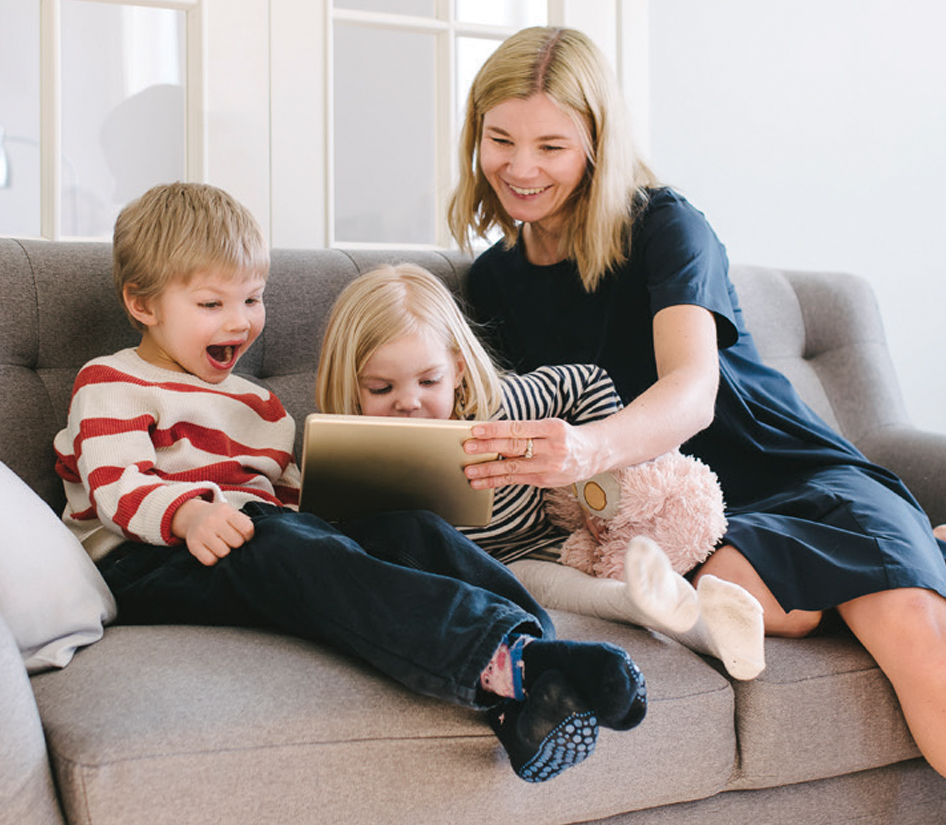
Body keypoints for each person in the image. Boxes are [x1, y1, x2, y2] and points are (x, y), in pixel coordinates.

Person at [447, 27, 946, 825]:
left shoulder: (664, 224)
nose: (521, 167)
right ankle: (909, 548)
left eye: (551, 145)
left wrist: (587, 446)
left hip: (786, 468)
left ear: (597, 141)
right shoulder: (491, 283)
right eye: (500, 139)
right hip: (694, 508)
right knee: (729, 603)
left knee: (911, 623)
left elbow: (691, 389)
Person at [52, 181, 647, 783]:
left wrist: (346, 523)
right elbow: (116, 485)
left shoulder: (261, 407)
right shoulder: (112, 382)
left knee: (411, 528)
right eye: (212, 305)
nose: (240, 321)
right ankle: (515, 664)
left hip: (254, 545)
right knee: (284, 542)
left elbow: (293, 504)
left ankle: (534, 668)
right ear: (143, 304)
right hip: (152, 560)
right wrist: (189, 515)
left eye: (253, 299)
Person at [314, 262, 767, 679]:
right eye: (380, 387)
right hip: (493, 575)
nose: (408, 402)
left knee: (557, 581)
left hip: (543, 548)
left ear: (456, 368)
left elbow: (588, 382)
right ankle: (646, 603)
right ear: (350, 384)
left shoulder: (505, 409)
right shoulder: (349, 450)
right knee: (543, 586)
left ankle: (694, 616)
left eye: (429, 381)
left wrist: (594, 477)